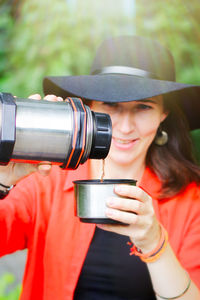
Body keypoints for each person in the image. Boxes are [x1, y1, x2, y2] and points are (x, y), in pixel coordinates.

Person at [0, 36, 200, 300]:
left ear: (164, 114)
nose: (125, 127)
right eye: (111, 105)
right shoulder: (45, 181)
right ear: (91, 106)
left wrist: (155, 244)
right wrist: (2, 181)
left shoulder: (191, 201)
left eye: (143, 107)